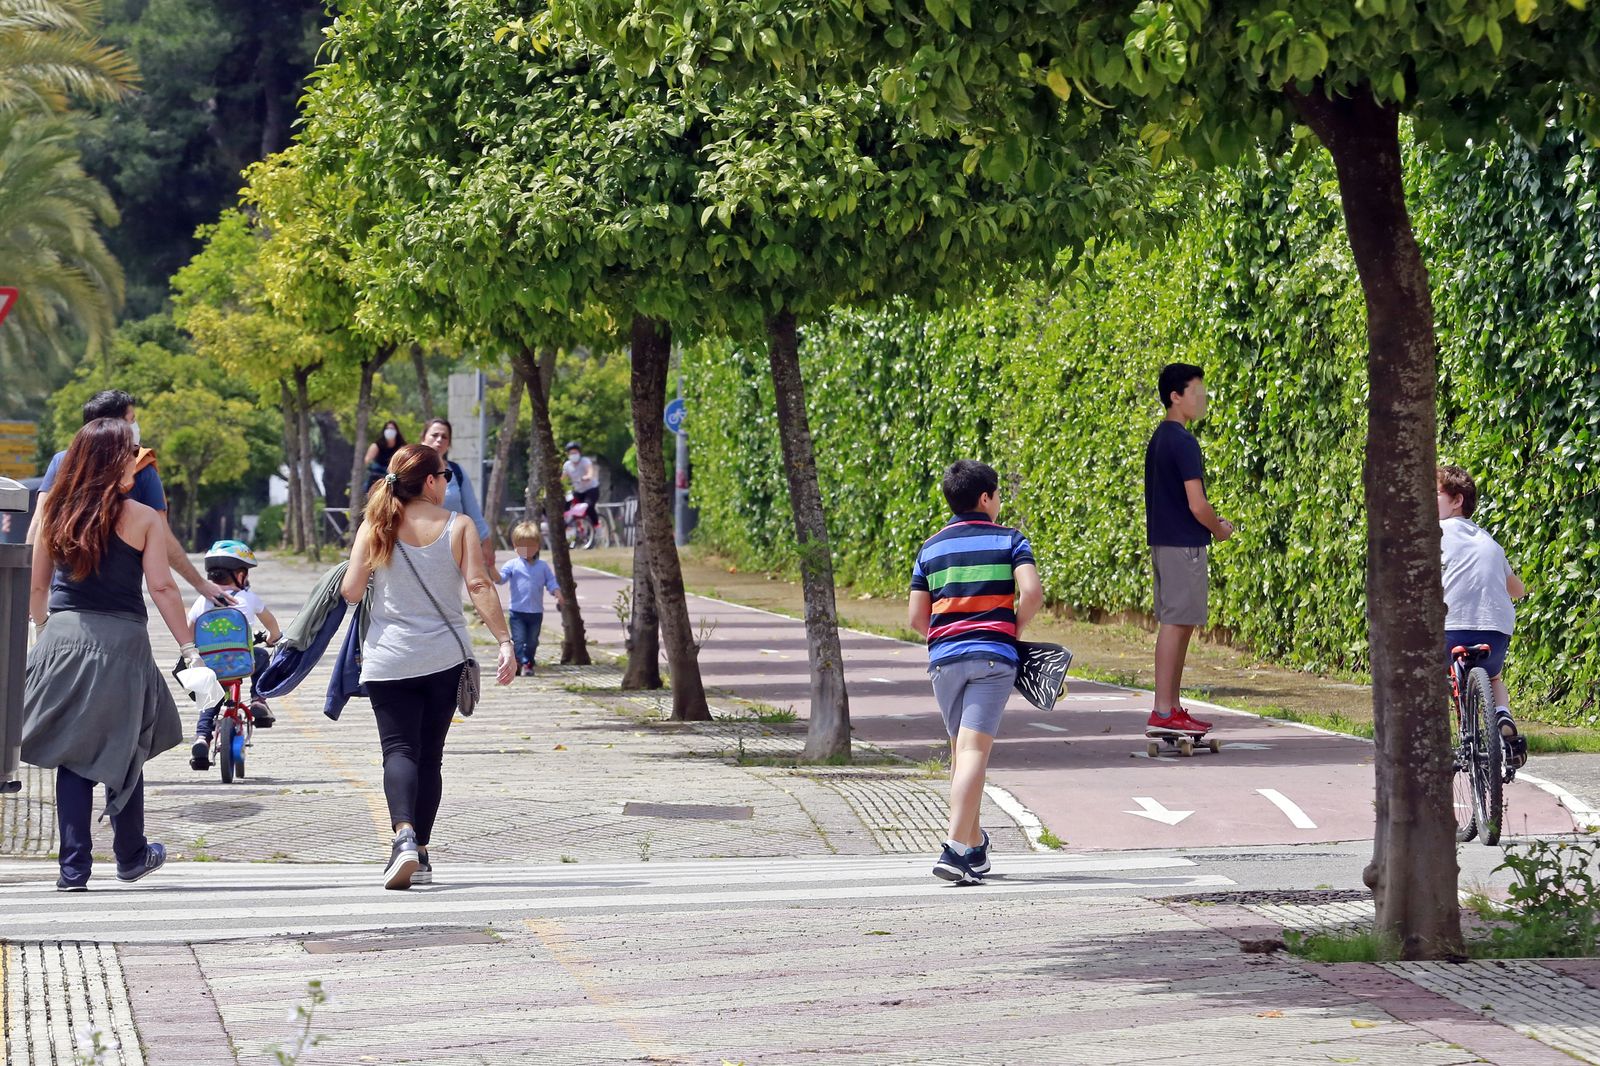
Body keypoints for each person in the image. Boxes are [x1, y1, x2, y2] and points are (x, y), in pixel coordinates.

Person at [23, 418, 196, 890]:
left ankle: (73, 868)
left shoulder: (55, 510)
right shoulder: (142, 517)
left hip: (62, 639)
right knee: (128, 745)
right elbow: (161, 587)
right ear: (112, 459)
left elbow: (37, 585)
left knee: (72, 753)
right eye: (132, 451)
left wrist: (45, 632)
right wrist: (188, 648)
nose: (138, 459)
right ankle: (130, 855)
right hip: (121, 644)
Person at [341, 444, 515, 889]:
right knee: (430, 756)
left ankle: (402, 838)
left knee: (398, 751)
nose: (447, 482)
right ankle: (421, 852)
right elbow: (478, 583)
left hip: (388, 658)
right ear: (432, 480)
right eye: (447, 475)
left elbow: (352, 591)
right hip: (443, 658)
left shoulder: (376, 523)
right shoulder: (458, 525)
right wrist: (505, 641)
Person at [908, 460, 1042, 885]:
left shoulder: (930, 547)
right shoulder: (1011, 540)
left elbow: (916, 617)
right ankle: (954, 849)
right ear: (985, 498)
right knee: (973, 754)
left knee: (960, 753)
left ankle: (976, 844)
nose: (999, 501)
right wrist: (1010, 630)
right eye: (998, 494)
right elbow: (1032, 592)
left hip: (943, 661)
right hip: (991, 660)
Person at [25, 389, 234, 606]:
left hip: (65, 603)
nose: (136, 427)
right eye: (131, 420)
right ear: (113, 426)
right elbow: (162, 537)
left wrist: (30, 592)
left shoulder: (63, 462)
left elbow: (40, 522)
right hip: (122, 606)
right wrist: (199, 583)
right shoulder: (142, 469)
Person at [1144, 363, 1233, 738]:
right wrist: (1221, 529)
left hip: (1166, 543)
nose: (1203, 398)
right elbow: (1198, 504)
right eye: (1197, 392)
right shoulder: (1182, 441)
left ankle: (1171, 707)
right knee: (1176, 625)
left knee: (1176, 624)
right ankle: (1164, 710)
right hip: (1184, 546)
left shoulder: (1159, 439)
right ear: (1175, 396)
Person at [1438, 465, 1529, 768]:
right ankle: (1503, 715)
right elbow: (1517, 589)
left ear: (1457, 500)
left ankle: (1462, 737)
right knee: (1493, 676)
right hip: (1496, 632)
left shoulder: (1432, 533)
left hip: (1452, 630)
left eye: (1434, 494)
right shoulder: (1487, 539)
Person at [186, 540, 282, 771]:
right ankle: (258, 700)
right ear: (239, 574)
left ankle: (202, 738)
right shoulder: (249, 598)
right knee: (262, 656)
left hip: (211, 665)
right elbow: (273, 627)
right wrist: (272, 638)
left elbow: (189, 633)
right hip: (242, 661)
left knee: (211, 696)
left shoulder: (202, 601)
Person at [495, 522, 566, 676]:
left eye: (530, 546)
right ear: (515, 546)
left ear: (538, 546)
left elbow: (551, 582)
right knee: (519, 640)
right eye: (522, 547)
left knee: (532, 641)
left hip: (536, 612)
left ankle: (526, 661)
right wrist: (491, 571)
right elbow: (501, 579)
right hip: (517, 612)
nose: (526, 551)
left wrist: (557, 593)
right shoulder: (512, 565)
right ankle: (523, 662)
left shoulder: (542, 567)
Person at [420, 419, 494, 566]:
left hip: (451, 551)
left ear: (449, 444)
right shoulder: (408, 470)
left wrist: (486, 543)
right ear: (423, 438)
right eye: (434, 435)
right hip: (416, 550)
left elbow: (473, 511)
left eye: (444, 437)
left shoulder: (457, 472)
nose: (439, 440)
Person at [562, 442, 601, 523]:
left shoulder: (585, 461)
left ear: (579, 453)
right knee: (567, 505)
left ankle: (597, 526)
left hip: (591, 489)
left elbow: (590, 471)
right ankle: (574, 527)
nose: (573, 455)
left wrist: (587, 476)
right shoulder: (567, 465)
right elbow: (563, 478)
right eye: (571, 453)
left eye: (575, 452)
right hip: (577, 491)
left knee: (588, 507)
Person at [364, 420, 406, 490]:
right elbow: (367, 461)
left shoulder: (401, 447)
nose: (389, 431)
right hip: (378, 474)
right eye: (387, 429)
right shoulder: (377, 445)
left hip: (393, 474)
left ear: (396, 431)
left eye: (392, 429)